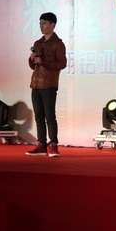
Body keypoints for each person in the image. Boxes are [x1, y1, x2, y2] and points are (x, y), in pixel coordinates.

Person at [26, 12, 67, 157]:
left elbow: (62, 64)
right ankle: (41, 144)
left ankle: (53, 144)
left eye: (44, 23)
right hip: (35, 84)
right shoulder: (38, 43)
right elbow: (33, 66)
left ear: (52, 25)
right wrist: (32, 59)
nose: (41, 26)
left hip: (49, 84)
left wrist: (42, 61)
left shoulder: (58, 44)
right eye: (40, 23)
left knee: (50, 115)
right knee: (38, 116)